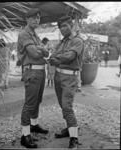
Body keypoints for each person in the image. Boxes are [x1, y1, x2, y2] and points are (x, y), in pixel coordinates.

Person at [49, 16, 84, 149]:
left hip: (69, 78)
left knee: (67, 106)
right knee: (63, 106)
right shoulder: (62, 42)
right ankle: (69, 128)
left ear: (71, 25)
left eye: (65, 25)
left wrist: (56, 59)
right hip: (58, 77)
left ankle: (74, 138)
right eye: (61, 27)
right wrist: (54, 57)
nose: (63, 29)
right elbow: (53, 55)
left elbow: (70, 57)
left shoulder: (77, 41)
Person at [17, 8, 49, 148]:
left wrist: (42, 50)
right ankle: (25, 135)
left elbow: (45, 52)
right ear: (27, 19)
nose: (37, 20)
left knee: (37, 101)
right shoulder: (25, 34)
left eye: (38, 18)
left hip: (40, 72)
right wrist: (42, 50)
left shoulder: (35, 34)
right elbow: (35, 54)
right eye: (33, 17)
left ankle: (34, 125)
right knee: (29, 103)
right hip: (32, 72)